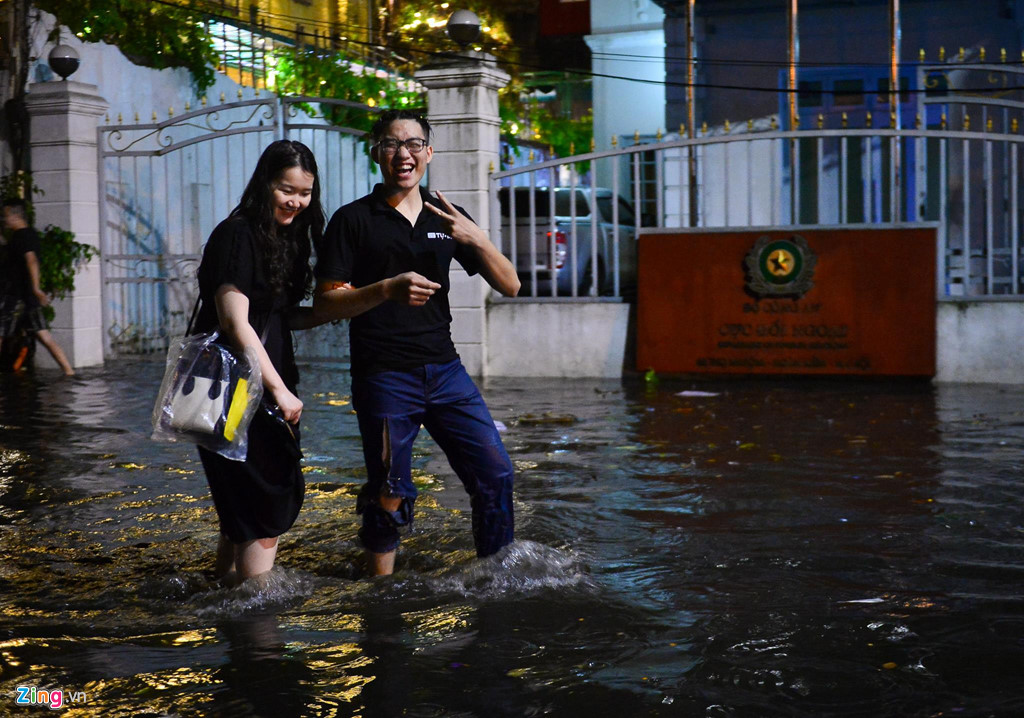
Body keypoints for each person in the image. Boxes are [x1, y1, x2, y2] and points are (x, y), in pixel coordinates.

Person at [313, 109, 521, 576]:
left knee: (495, 473)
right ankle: (379, 589)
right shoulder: (353, 220)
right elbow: (325, 302)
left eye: (412, 144)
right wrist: (385, 289)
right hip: (383, 372)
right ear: (376, 153)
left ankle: (495, 574)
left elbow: (510, 286)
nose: (402, 154)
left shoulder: (446, 216)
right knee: (390, 488)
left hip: (446, 370)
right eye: (390, 144)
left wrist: (476, 238)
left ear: (428, 152)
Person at [193, 140, 324, 585]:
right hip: (238, 392)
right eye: (287, 189)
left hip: (263, 389)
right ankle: (258, 629)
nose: (296, 201)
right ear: (264, 184)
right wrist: (279, 390)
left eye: (305, 193)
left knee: (241, 509)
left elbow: (280, 317)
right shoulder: (237, 235)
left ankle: (224, 594)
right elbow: (235, 323)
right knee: (264, 507)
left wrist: (367, 299)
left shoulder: (284, 238)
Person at [0, 198, 75, 376]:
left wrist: (36, 288)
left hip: (15, 296)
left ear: (14, 215)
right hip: (27, 298)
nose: (4, 220)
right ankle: (69, 371)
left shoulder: (22, 237)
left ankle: (68, 371)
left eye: (5, 216)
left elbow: (31, 261)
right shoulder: (28, 235)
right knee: (44, 335)